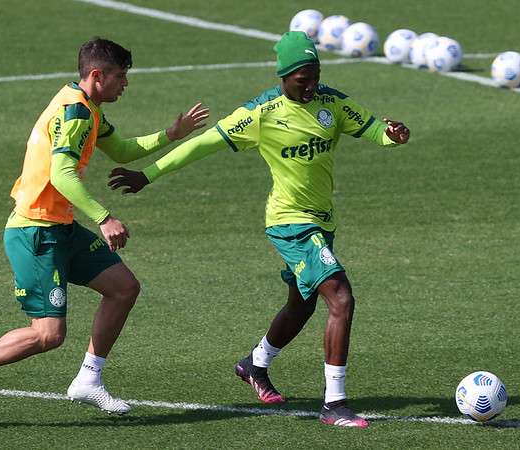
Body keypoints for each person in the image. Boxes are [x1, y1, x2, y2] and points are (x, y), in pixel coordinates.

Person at [108, 31, 410, 429]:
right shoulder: (261, 113)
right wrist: (147, 175)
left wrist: (392, 135)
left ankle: (255, 363)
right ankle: (334, 403)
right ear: (283, 77)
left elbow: (374, 129)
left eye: (315, 76)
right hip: (290, 223)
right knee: (341, 298)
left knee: (301, 304)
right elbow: (202, 145)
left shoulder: (331, 103)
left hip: (321, 221)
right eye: (302, 80)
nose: (310, 86)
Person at [0, 37, 209, 423]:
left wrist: (171, 134)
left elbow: (124, 150)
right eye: (121, 76)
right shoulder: (76, 113)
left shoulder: (86, 108)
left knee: (123, 288)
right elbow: (61, 175)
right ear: (97, 75)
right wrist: (104, 216)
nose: (125, 84)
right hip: (35, 233)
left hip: (60, 228)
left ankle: (88, 380)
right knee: (48, 335)